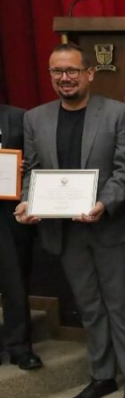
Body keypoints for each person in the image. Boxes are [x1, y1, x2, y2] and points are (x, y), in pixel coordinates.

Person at [15, 43, 125, 398]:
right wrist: (28, 199)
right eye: (57, 71)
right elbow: (33, 170)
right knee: (89, 305)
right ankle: (102, 375)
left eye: (72, 70)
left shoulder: (117, 113)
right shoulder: (35, 118)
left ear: (89, 73)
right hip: (65, 231)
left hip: (110, 227)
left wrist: (105, 203)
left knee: (120, 303)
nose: (65, 78)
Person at [0, 104, 42, 371]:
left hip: (8, 210)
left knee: (15, 280)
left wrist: (21, 166)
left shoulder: (18, 116)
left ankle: (20, 347)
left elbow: (36, 159)